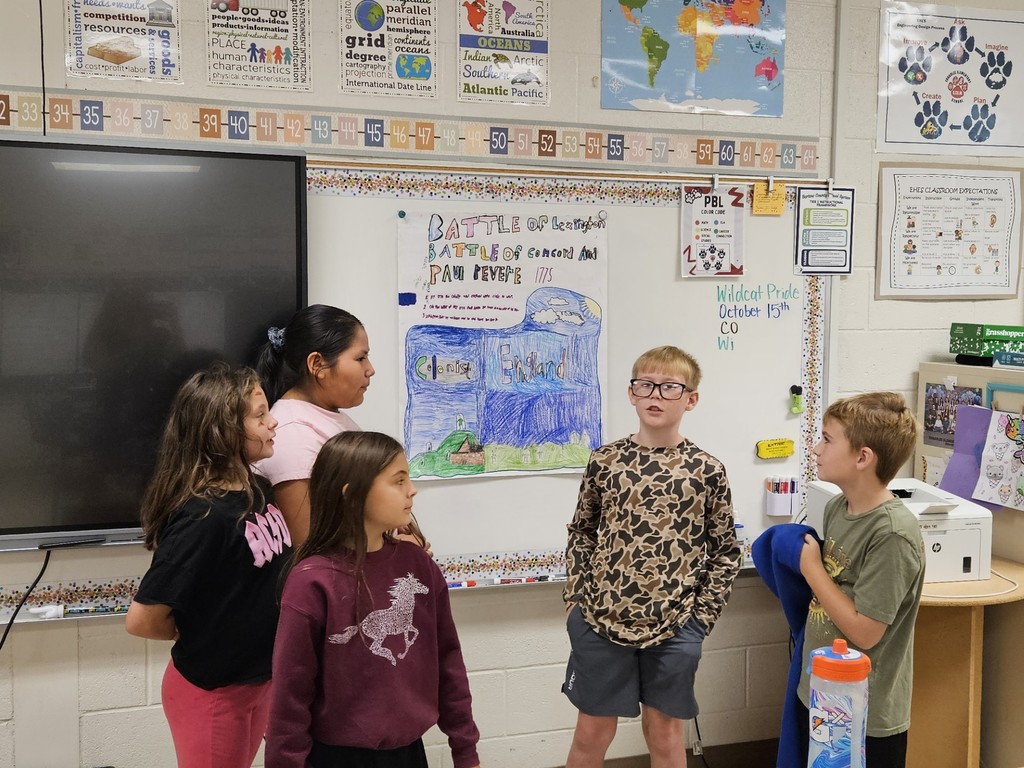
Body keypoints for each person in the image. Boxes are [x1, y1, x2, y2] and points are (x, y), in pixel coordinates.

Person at [562, 345, 741, 768]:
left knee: (664, 733)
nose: (655, 395)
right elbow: (582, 532)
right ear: (631, 393)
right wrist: (577, 600)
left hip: (677, 626)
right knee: (592, 732)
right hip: (601, 621)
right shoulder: (605, 461)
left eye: (669, 387)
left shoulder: (706, 470)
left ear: (691, 398)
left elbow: (725, 551)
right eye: (645, 385)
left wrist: (700, 621)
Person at [265, 431, 480, 768]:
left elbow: (449, 664)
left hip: (409, 754)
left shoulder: (418, 566)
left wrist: (465, 751)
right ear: (353, 495)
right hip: (335, 759)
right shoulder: (311, 582)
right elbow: (289, 697)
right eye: (398, 481)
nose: (412, 490)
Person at [124, 363, 291, 768]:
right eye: (259, 415)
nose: (273, 423)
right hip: (214, 693)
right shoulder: (204, 517)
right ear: (222, 430)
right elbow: (142, 620)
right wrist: (207, 632)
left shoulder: (258, 490)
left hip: (257, 683)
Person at [797, 391, 925, 768]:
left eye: (826, 439)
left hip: (868, 711)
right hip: (824, 693)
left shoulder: (892, 534)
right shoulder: (839, 506)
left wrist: (813, 571)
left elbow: (866, 632)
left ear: (862, 457)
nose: (816, 448)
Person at [254, 304, 426, 551]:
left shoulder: (331, 418)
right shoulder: (292, 433)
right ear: (317, 364)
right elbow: (309, 545)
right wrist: (393, 550)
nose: (370, 369)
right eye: (360, 358)